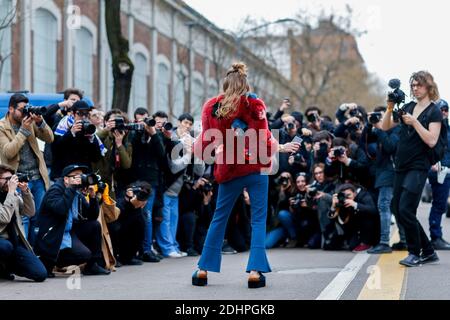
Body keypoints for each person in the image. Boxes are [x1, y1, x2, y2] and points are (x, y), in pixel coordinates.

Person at [191, 62, 297, 289]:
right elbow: (264, 135)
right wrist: (280, 148)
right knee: (258, 220)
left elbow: (204, 144)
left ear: (225, 84)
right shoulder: (254, 104)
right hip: (256, 167)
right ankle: (255, 272)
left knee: (219, 218)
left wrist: (203, 148)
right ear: (245, 84)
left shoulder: (211, 106)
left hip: (229, 168)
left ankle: (202, 270)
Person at [381, 71, 441, 267]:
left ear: (428, 87)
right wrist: (389, 108)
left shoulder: (434, 111)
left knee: (406, 208)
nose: (415, 88)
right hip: (401, 164)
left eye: (419, 85)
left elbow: (432, 140)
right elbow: (385, 127)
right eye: (413, 85)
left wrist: (415, 122)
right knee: (396, 208)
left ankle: (414, 252)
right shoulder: (407, 106)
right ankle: (429, 251)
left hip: (418, 165)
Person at [35, 164, 110, 276]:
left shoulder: (76, 192)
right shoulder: (55, 191)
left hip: (69, 230)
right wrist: (71, 188)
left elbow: (92, 216)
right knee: (84, 254)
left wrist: (93, 196)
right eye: (76, 176)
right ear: (66, 179)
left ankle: (92, 265)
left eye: (81, 175)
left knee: (94, 225)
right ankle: (51, 261)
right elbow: (60, 209)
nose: (80, 178)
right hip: (54, 234)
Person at [0, 93, 54, 245]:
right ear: (11, 109)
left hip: (37, 177)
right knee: (23, 218)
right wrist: (23, 130)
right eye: (22, 109)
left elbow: (50, 138)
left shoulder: (29, 122)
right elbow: (8, 152)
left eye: (27, 108)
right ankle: (25, 251)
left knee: (38, 217)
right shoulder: (2, 127)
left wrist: (40, 122)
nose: (26, 112)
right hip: (17, 179)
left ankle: (35, 252)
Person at [0, 164, 47, 282]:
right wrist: (11, 191)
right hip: (3, 244)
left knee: (40, 274)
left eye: (11, 178)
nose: (10, 182)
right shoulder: (11, 193)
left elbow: (30, 212)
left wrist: (25, 192)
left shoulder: (13, 195)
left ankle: (6, 267)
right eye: (6, 179)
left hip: (14, 243)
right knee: (5, 247)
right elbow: (4, 217)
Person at [427, 98, 450, 250]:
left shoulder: (447, 128)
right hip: (438, 170)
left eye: (446, 109)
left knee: (441, 204)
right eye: (441, 110)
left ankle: (437, 236)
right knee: (439, 204)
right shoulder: (431, 128)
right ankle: (435, 237)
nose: (444, 113)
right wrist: (431, 164)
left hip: (447, 170)